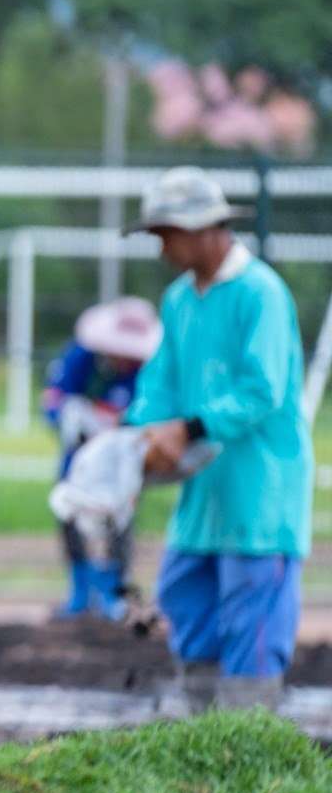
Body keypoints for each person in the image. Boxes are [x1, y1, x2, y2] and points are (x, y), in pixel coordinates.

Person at [124, 166, 312, 712]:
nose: (161, 247)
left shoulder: (261, 293)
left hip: (259, 495)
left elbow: (263, 389)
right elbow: (159, 383)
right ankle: (198, 738)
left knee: (251, 625)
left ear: (207, 228)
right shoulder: (180, 300)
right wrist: (138, 439)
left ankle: (247, 741)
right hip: (204, 499)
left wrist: (188, 428)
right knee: (187, 601)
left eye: (167, 234)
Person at [41, 296, 161, 619]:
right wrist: (67, 415)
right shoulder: (82, 357)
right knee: (69, 514)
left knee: (120, 519)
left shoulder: (147, 370)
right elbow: (53, 399)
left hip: (123, 464)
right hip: (78, 458)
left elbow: (149, 417)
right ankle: (80, 591)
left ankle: (113, 591)